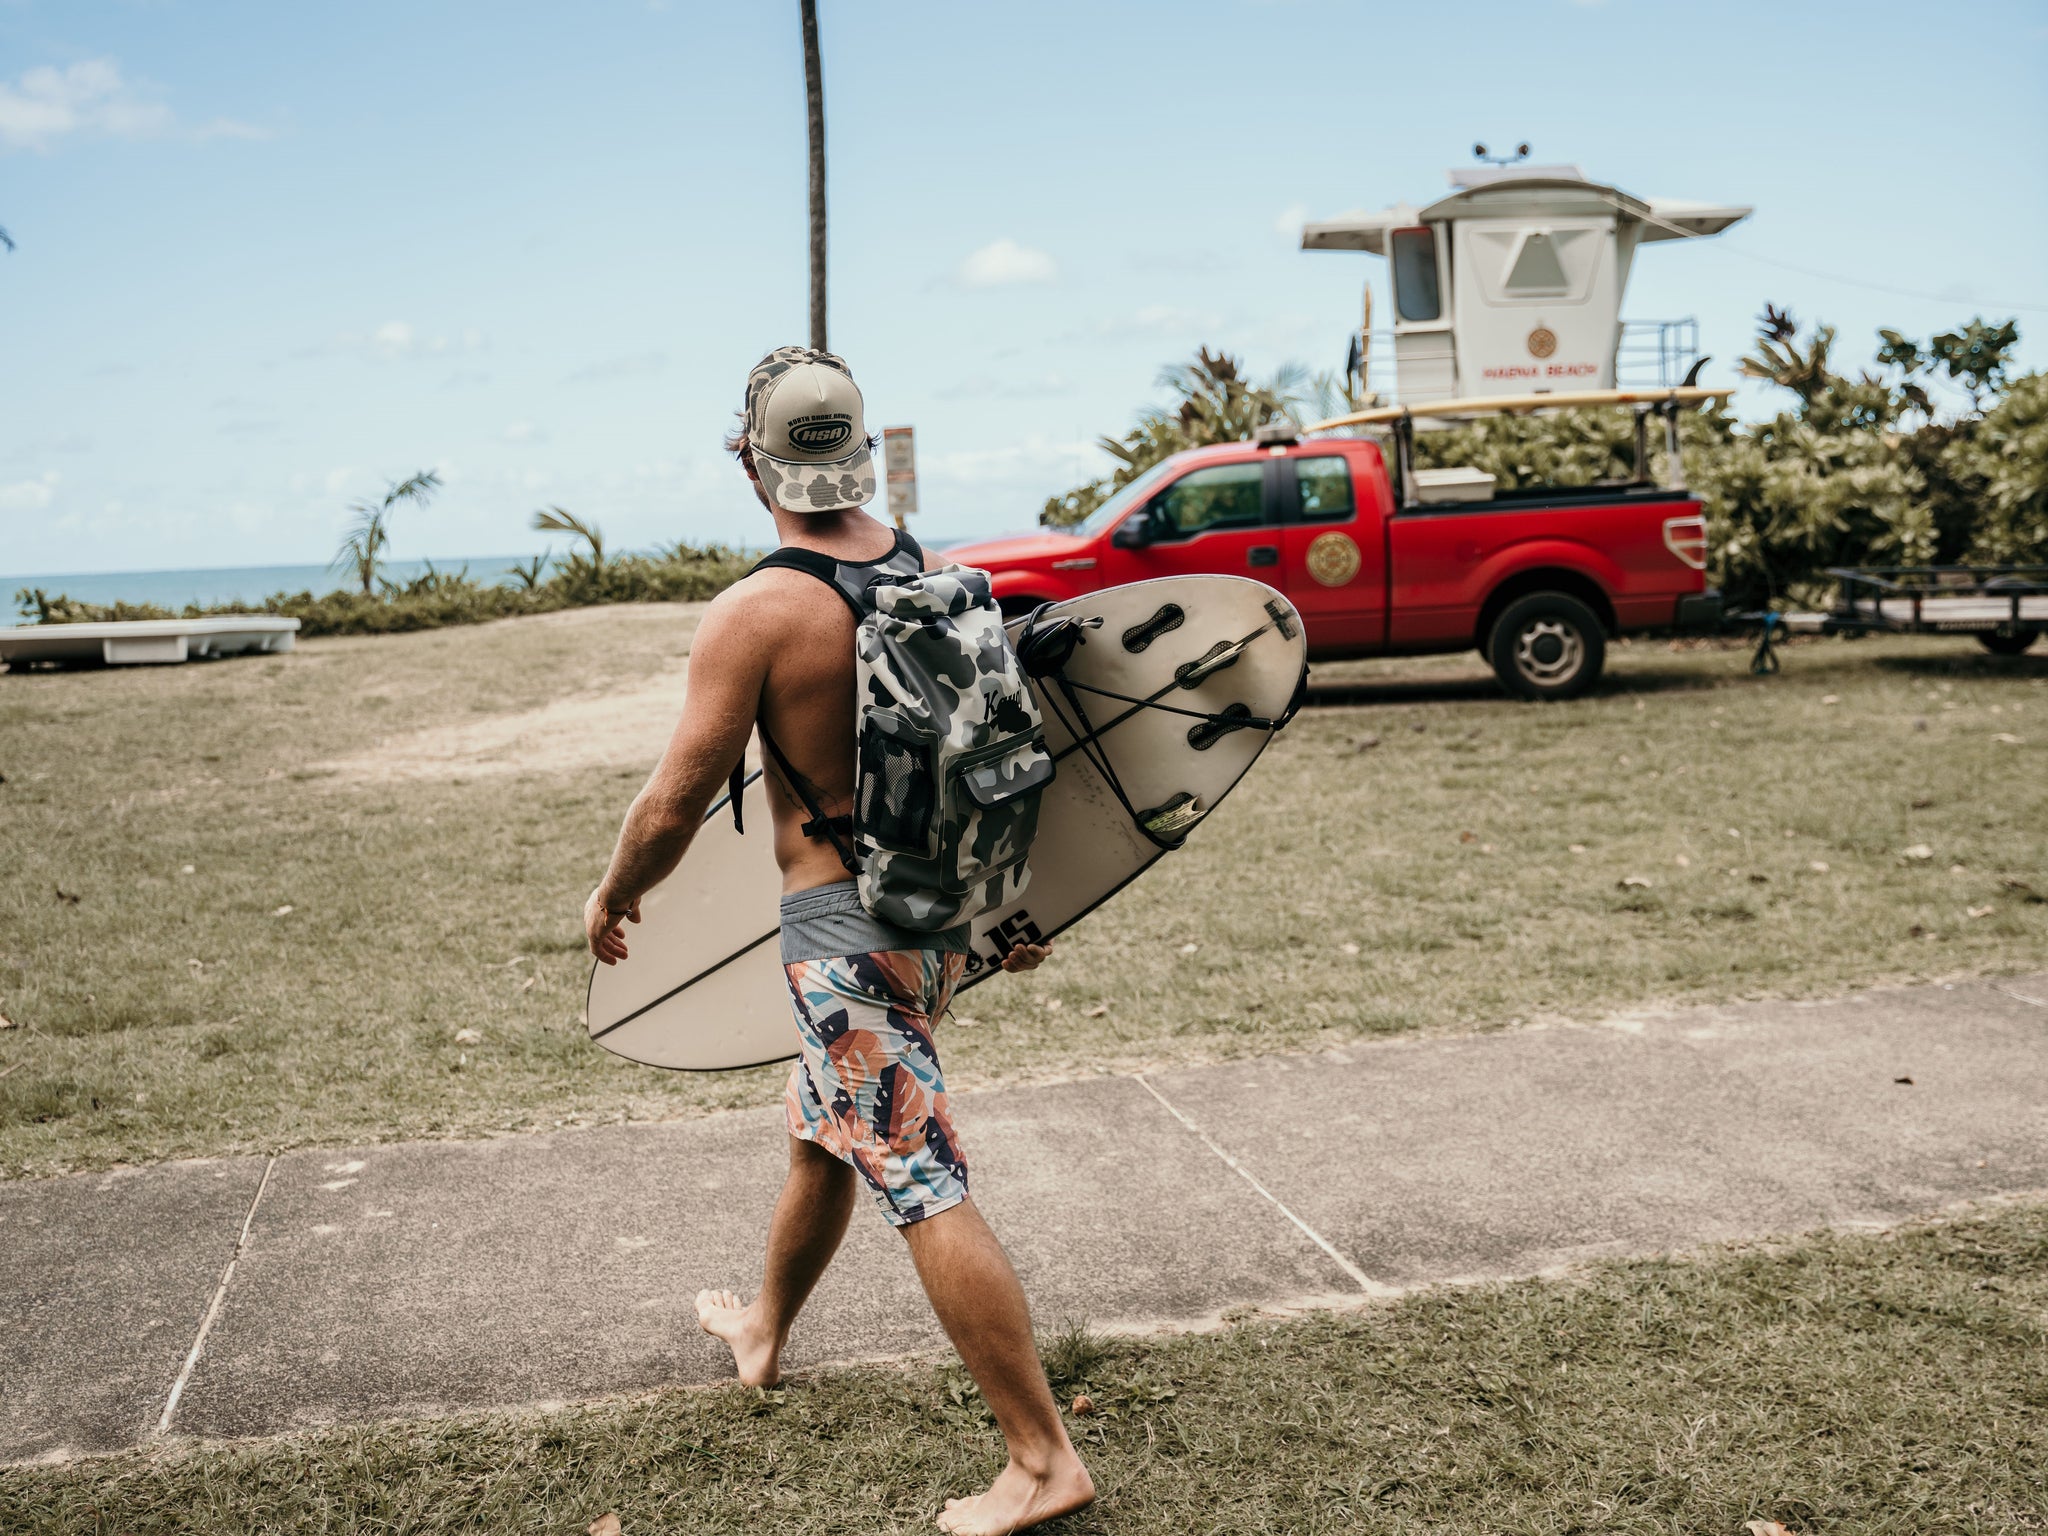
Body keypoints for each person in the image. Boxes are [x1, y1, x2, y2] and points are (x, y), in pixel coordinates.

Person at [584, 346, 1094, 1535]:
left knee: (917, 1177)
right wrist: (995, 915)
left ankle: (1040, 1458)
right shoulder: (930, 573)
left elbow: (672, 804)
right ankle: (763, 1330)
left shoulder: (757, 611)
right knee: (831, 1129)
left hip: (842, 932)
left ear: (744, 459)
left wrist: (613, 893)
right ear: (860, 452)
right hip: (931, 918)